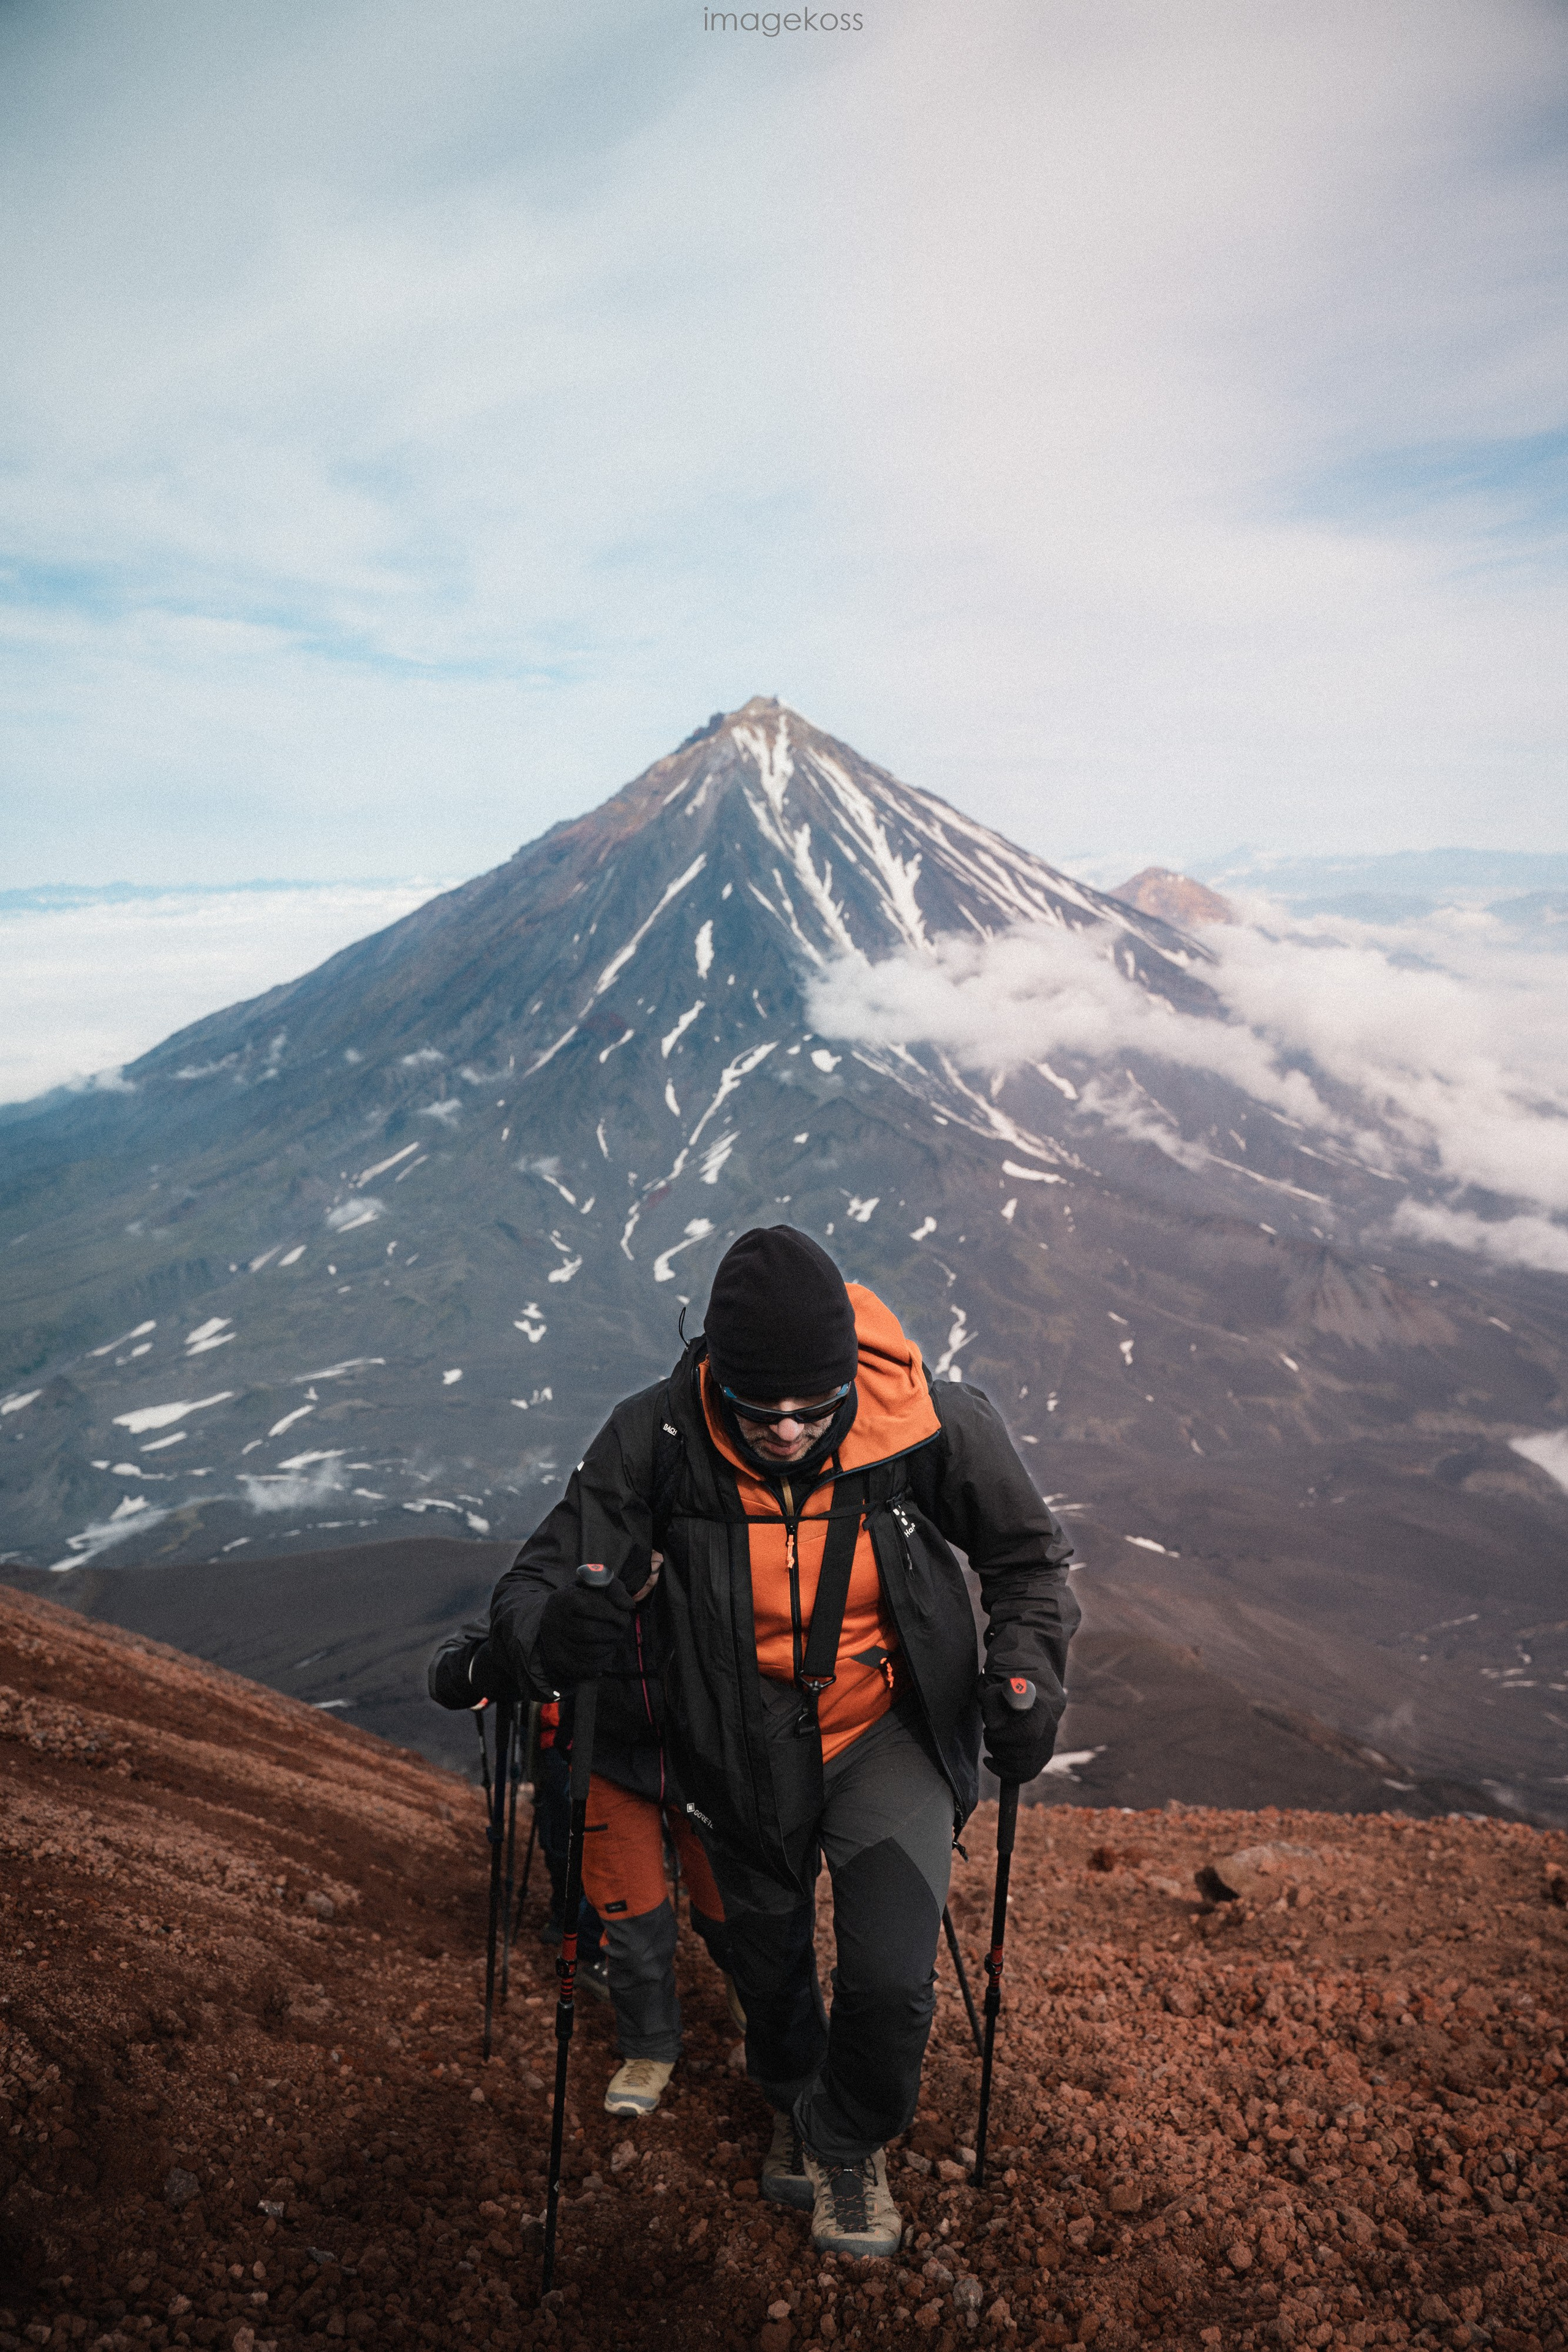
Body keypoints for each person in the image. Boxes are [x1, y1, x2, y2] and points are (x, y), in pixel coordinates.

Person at [488, 1226, 1078, 2258]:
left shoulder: (924, 1421)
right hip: (732, 1747)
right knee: (767, 1970)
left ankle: (847, 2141)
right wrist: (551, 1634)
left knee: (891, 1981)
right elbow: (535, 1584)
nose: (793, 1432)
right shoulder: (659, 1437)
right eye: (765, 1411)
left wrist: (1026, 1671)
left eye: (817, 1406)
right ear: (720, 1375)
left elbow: (1028, 1559)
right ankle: (795, 2098)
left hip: (886, 1728)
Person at [429, 1615, 742, 2113]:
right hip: (604, 1751)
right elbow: (528, 1602)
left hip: (703, 1749)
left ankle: (757, 2009)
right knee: (633, 1915)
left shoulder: (707, 1546)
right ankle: (648, 2046)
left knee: (731, 1909)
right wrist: (479, 1664)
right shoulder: (583, 1547)